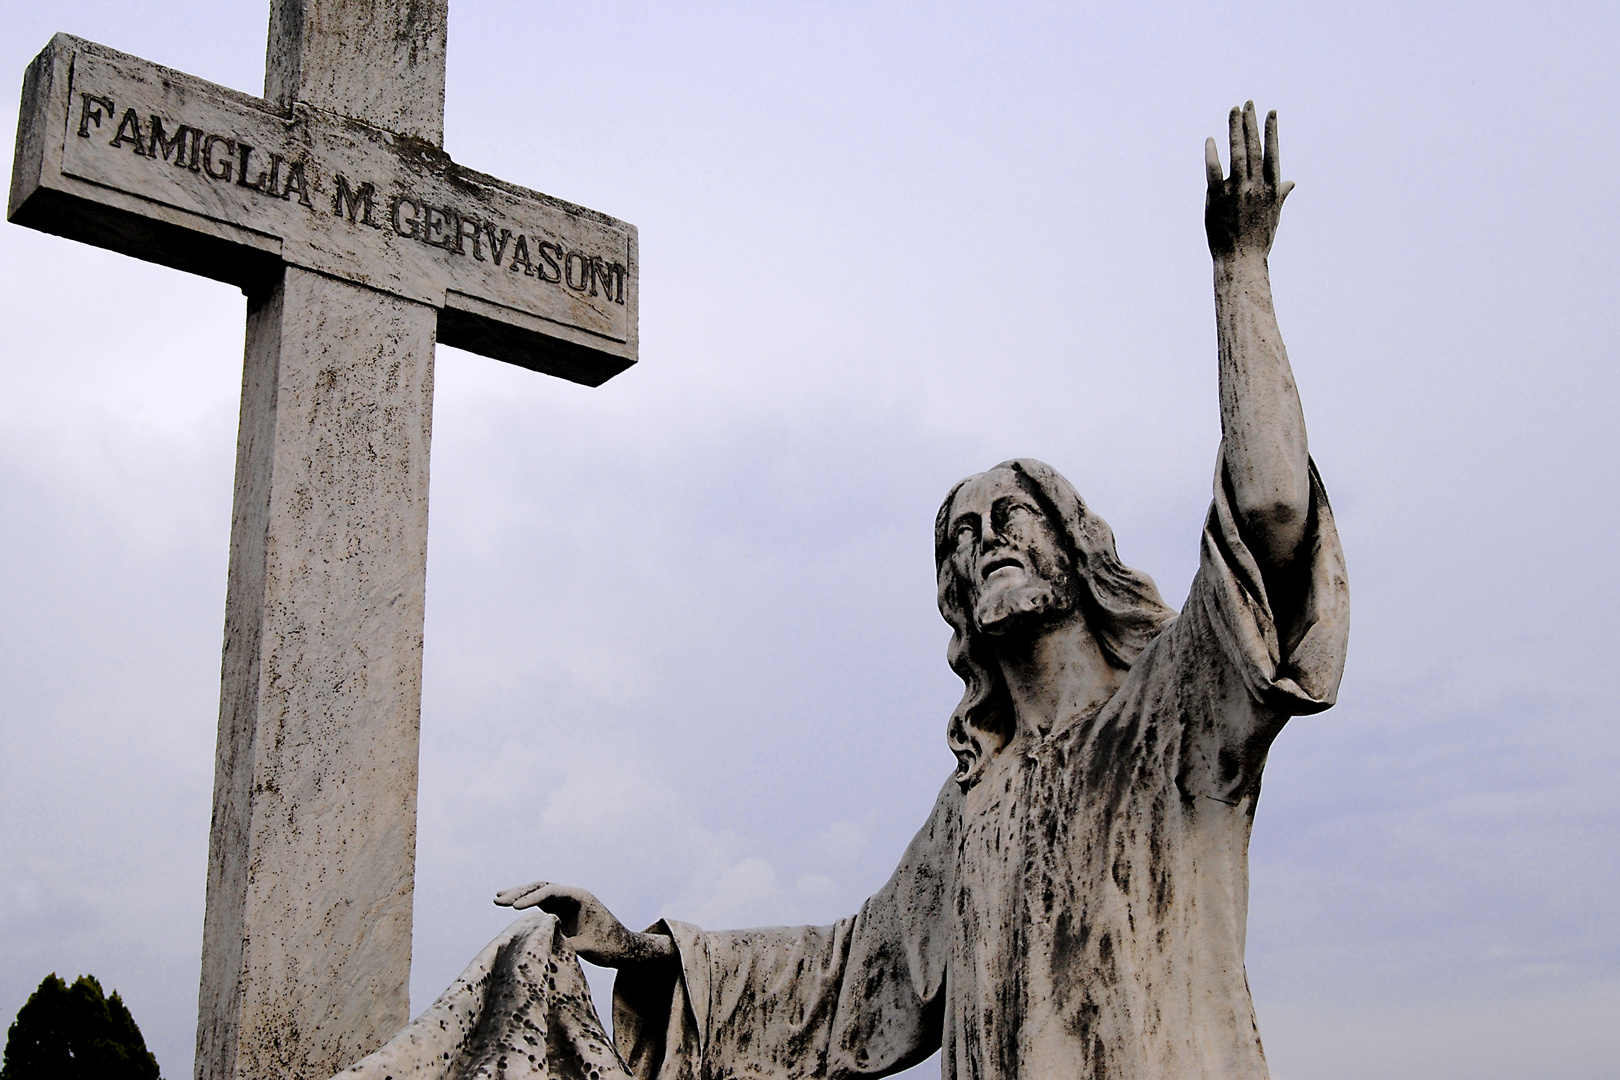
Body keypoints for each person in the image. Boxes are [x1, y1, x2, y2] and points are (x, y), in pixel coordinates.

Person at [335, 101, 1348, 1080]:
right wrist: (642, 954)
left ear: (1076, 550)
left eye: (1011, 518)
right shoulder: (974, 815)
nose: (984, 541)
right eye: (960, 537)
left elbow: (1270, 516)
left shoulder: (1167, 720)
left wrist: (1239, 269)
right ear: (952, 600)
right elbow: (840, 980)